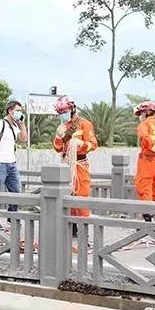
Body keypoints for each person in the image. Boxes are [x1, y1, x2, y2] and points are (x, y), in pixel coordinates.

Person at [53, 96, 97, 228]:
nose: (63, 114)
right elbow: (58, 148)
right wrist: (58, 137)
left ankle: (83, 226)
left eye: (65, 111)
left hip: (80, 164)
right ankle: (71, 227)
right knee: (67, 194)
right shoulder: (62, 127)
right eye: (61, 112)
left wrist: (81, 143)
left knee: (81, 193)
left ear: (72, 109)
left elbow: (93, 144)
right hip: (66, 163)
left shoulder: (84, 124)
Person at [0, 100, 27, 212]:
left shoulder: (15, 126)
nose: (20, 113)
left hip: (12, 163)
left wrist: (22, 123)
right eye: (17, 110)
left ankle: (12, 219)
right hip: (0, 163)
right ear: (10, 111)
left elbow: (24, 139)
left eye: (21, 111)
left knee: (17, 192)